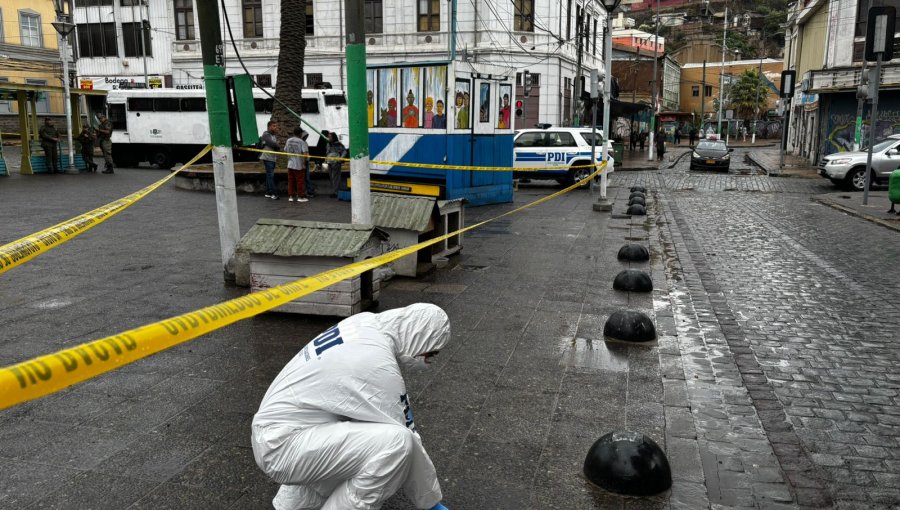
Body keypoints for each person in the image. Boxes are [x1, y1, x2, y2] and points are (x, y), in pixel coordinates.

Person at [252, 303, 452, 510]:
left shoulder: (363, 324)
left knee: (356, 435)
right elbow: (408, 435)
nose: (430, 361)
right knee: (396, 445)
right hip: (283, 447)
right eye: (432, 353)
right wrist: (431, 502)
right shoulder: (377, 364)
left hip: (278, 433)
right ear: (421, 337)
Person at [284, 127, 309, 203]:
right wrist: (304, 163)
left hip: (290, 163)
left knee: (290, 180)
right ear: (300, 133)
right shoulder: (301, 142)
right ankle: (300, 196)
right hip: (299, 164)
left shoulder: (288, 140)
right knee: (299, 181)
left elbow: (285, 150)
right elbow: (305, 154)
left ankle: (291, 196)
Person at [259, 120, 281, 199]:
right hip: (268, 158)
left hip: (272, 158)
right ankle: (274, 193)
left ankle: (268, 192)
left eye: (276, 126)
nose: (276, 128)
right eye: (274, 126)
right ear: (269, 127)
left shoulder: (273, 136)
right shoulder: (266, 134)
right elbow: (273, 144)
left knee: (269, 175)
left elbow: (276, 146)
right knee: (270, 175)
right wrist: (277, 145)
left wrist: (276, 145)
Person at [325, 131, 346, 198]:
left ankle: (336, 192)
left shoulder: (338, 144)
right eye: (328, 136)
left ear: (333, 137)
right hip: (329, 162)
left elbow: (344, 151)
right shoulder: (328, 144)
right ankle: (335, 191)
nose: (329, 138)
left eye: (330, 137)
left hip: (336, 163)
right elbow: (327, 152)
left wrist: (340, 159)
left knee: (335, 178)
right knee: (332, 177)